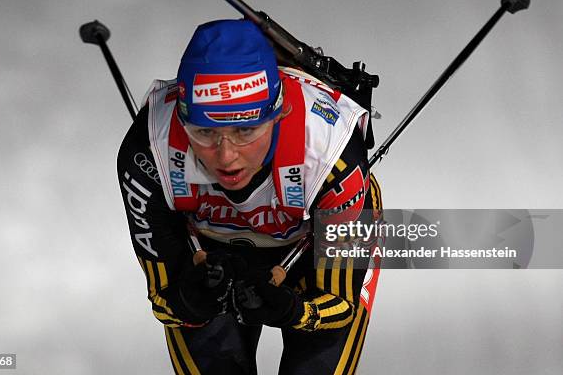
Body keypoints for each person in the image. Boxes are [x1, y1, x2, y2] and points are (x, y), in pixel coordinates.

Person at [117, 19, 383, 374]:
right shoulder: (149, 152)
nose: (226, 156)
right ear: (182, 122)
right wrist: (191, 301)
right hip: (209, 251)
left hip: (308, 245)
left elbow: (340, 304)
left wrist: (294, 310)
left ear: (279, 114)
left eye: (246, 129)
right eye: (204, 132)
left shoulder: (330, 154)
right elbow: (163, 300)